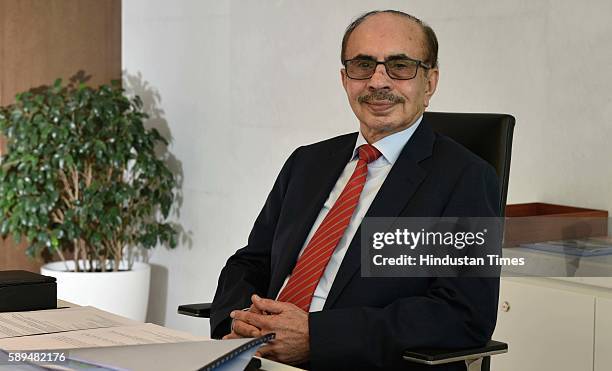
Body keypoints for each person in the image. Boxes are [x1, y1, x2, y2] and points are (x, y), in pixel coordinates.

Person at [211, 10, 500, 371]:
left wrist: (317, 337)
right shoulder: (307, 162)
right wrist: (235, 322)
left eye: (400, 66)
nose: (378, 81)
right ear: (345, 78)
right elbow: (251, 262)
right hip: (255, 357)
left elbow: (462, 314)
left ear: (429, 83)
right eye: (363, 65)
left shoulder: (466, 179)